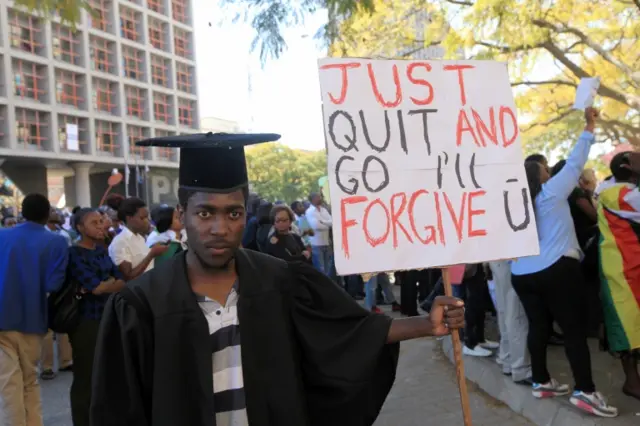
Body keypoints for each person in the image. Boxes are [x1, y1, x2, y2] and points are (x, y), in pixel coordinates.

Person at [90, 132, 465, 426]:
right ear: (182, 214)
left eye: (233, 213)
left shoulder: (279, 279)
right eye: (205, 214)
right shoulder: (141, 304)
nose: (220, 228)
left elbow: (346, 332)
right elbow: (118, 411)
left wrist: (426, 324)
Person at [511, 108, 617, 417]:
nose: (548, 170)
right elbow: (575, 162)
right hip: (557, 269)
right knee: (573, 330)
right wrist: (589, 125)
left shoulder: (518, 204)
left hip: (522, 274)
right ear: (540, 177)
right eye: (544, 169)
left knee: (538, 326)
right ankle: (586, 390)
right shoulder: (550, 193)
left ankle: (541, 381)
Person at [0, 194, 69, 426]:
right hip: (33, 318)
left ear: (23, 212)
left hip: (2, 317)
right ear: (47, 212)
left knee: (8, 383)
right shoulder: (57, 242)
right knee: (30, 380)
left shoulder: (2, 236)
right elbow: (54, 284)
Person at [67, 208, 125, 426]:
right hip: (85, 321)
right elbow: (98, 287)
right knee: (86, 376)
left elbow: (120, 280)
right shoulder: (74, 253)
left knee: (107, 373)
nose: (101, 225)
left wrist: (107, 285)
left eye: (102, 221)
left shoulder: (102, 251)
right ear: (80, 228)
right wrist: (108, 284)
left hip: (108, 316)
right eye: (94, 222)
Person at [596, 151, 640, 400]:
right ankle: (632, 382)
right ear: (628, 167)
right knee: (626, 326)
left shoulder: (614, 189)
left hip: (630, 265)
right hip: (622, 270)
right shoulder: (620, 194)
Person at [108, 197, 167, 280]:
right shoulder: (120, 242)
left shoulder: (140, 238)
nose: (147, 221)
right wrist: (151, 254)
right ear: (129, 218)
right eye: (142, 218)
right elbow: (128, 276)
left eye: (147, 217)